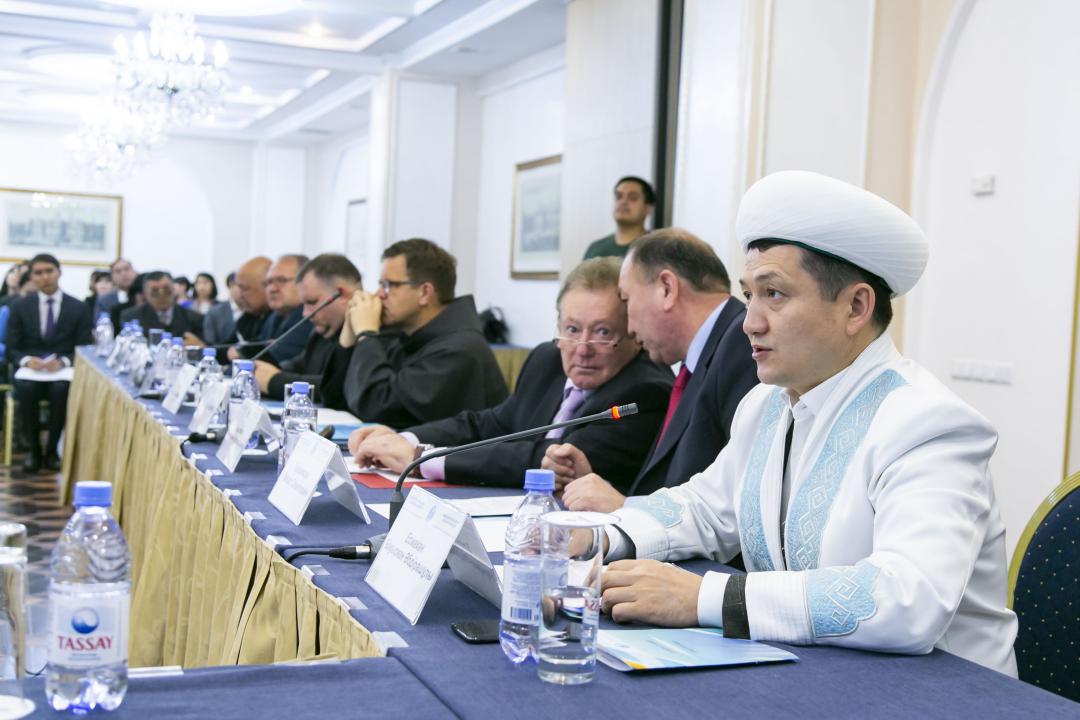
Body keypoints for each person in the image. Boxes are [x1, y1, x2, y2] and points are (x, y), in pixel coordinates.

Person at [595, 170, 1018, 677]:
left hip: (940, 695)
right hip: (812, 675)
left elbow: (909, 597)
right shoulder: (767, 405)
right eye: (749, 295)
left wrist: (704, 597)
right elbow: (705, 508)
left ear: (856, 307)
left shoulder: (928, 423)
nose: (749, 322)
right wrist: (599, 537)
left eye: (774, 294)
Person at [350, 258, 672, 488]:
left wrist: (421, 458)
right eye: (572, 329)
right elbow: (490, 424)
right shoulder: (547, 360)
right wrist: (404, 438)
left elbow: (550, 460)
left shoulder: (646, 391)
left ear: (634, 333)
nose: (582, 348)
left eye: (602, 332)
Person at [547, 229, 759, 511]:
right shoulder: (706, 356)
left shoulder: (741, 347)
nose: (629, 326)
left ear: (666, 289)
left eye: (626, 300)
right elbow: (677, 489)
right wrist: (600, 488)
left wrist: (625, 508)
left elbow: (735, 504)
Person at [341, 238, 508, 426]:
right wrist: (350, 334)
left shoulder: (459, 350)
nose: (378, 294)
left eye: (388, 285)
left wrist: (366, 334)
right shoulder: (405, 336)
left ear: (424, 293)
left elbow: (378, 408)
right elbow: (342, 400)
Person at [6, 254, 92, 472]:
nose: (45, 277)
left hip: (62, 370)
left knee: (60, 389)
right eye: (38, 273)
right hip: (30, 370)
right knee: (26, 388)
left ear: (59, 272)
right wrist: (26, 360)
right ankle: (33, 451)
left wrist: (63, 361)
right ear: (31, 277)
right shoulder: (20, 306)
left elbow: (84, 347)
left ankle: (52, 450)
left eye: (49, 271)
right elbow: (12, 348)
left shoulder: (78, 307)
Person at [255, 254, 360, 409]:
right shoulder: (321, 332)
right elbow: (297, 365)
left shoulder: (367, 333)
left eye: (311, 302)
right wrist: (263, 371)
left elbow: (339, 387)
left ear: (343, 295)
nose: (305, 314)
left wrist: (274, 381)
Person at [230, 254, 311, 365]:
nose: (272, 288)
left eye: (281, 280)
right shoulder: (275, 316)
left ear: (305, 282)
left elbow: (271, 361)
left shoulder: (309, 316)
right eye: (268, 282)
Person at [582, 176, 655, 260]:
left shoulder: (656, 247)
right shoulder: (595, 249)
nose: (623, 202)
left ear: (647, 208)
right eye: (618, 197)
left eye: (633, 198)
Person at [120, 271, 204, 341]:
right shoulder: (131, 317)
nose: (162, 294)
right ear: (145, 294)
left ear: (174, 289)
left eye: (166, 290)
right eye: (155, 291)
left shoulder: (193, 318)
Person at [202, 271, 240, 345]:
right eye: (240, 286)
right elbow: (210, 343)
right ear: (230, 286)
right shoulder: (214, 313)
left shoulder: (255, 311)